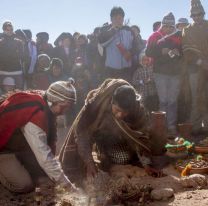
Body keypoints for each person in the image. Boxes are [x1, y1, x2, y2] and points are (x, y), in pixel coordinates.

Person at [60, 79, 165, 183]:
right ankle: (104, 155)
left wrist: (146, 165)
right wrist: (89, 163)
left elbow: (141, 137)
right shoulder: (97, 104)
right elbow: (82, 133)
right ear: (112, 102)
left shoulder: (137, 109)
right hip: (101, 136)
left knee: (124, 158)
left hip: (121, 139)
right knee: (118, 158)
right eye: (117, 110)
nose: (120, 115)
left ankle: (117, 157)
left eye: (124, 113)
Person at [0, 80, 77, 193]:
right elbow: (45, 158)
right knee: (25, 185)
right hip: (4, 148)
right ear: (53, 102)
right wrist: (69, 187)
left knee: (44, 177)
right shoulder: (35, 114)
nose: (64, 112)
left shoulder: (46, 100)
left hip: (20, 145)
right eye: (64, 107)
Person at [146, 12, 182, 136]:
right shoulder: (155, 36)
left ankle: (171, 126)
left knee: (173, 101)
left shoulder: (178, 36)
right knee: (163, 101)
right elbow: (148, 52)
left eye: (171, 27)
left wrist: (179, 52)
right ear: (162, 25)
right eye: (166, 26)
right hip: (160, 73)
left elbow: (184, 52)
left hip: (175, 73)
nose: (168, 29)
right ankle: (162, 127)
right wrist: (161, 51)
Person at [182, 0, 208, 134]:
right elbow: (186, 51)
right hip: (195, 70)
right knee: (197, 98)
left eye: (199, 14)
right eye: (194, 15)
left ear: (203, 14)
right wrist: (200, 62)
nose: (197, 17)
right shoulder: (187, 30)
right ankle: (196, 128)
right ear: (191, 16)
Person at [98, 7, 138, 82]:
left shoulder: (129, 30)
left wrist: (130, 52)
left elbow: (136, 46)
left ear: (123, 19)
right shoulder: (104, 29)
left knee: (125, 92)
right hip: (110, 69)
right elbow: (101, 43)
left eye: (120, 18)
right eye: (115, 18)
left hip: (127, 69)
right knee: (110, 92)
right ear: (111, 19)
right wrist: (114, 30)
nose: (118, 20)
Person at [0, 21, 24, 89]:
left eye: (11, 30)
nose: (9, 31)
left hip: (16, 70)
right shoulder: (0, 41)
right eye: (7, 30)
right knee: (1, 93)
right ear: (3, 30)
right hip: (2, 71)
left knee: (19, 91)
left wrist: (21, 45)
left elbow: (22, 55)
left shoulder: (18, 41)